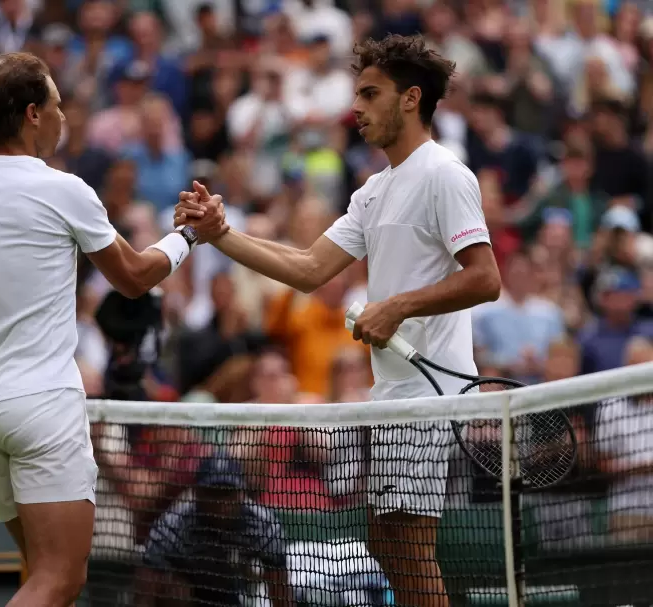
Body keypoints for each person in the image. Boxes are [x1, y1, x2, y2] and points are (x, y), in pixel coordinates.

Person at [0, 52, 212, 607]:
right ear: (31, 114)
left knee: (41, 575)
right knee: (60, 579)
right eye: (55, 107)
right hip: (42, 410)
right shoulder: (65, 189)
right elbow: (134, 278)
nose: (63, 119)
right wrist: (190, 236)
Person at [174, 34, 502, 607]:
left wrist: (397, 306)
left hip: (432, 388)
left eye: (370, 94)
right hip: (393, 390)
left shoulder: (446, 174)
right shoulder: (373, 192)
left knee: (410, 542)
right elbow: (307, 268)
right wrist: (219, 235)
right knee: (386, 537)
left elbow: (485, 278)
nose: (356, 107)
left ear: (410, 98)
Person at [136, 453, 294, 606]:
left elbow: (280, 593)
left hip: (232, 592)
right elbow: (145, 591)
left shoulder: (263, 525)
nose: (221, 502)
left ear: (242, 493)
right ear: (196, 492)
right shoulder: (174, 524)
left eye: (227, 492)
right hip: (189, 591)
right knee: (175, 592)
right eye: (213, 492)